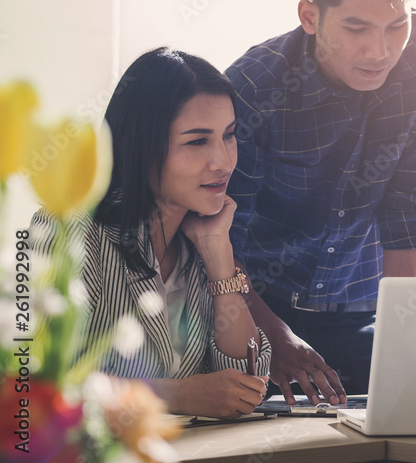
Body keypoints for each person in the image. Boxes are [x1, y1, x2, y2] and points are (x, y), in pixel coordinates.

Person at [225, 0, 416, 402]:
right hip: (257, 309)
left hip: (368, 308)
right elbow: (218, 238)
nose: (380, 51)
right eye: (357, 28)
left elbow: (415, 209)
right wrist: (273, 336)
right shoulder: (254, 86)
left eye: (397, 25)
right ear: (310, 16)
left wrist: (408, 341)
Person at [31, 48, 271, 419]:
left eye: (229, 135)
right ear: (141, 146)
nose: (223, 161)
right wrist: (171, 396)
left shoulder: (200, 243)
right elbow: (28, 386)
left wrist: (218, 256)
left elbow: (248, 382)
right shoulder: (67, 231)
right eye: (197, 141)